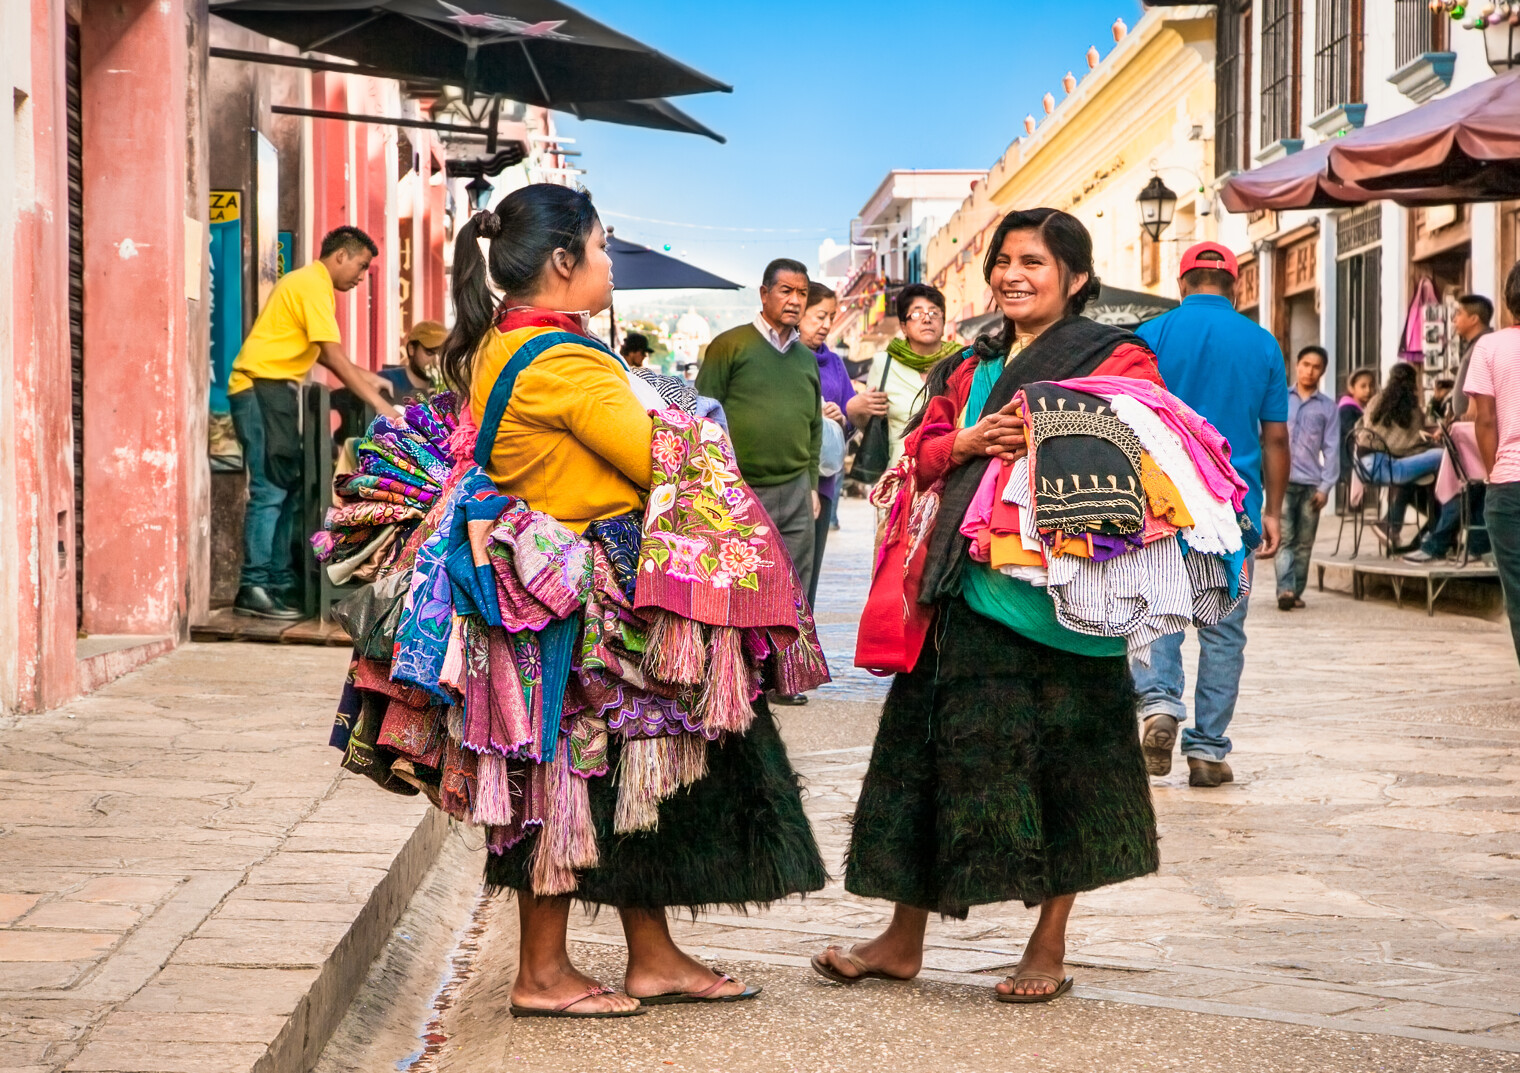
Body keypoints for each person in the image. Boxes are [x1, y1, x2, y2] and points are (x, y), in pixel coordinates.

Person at [441, 185, 825, 1017]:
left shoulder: (510, 343)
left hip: (555, 592)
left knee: (616, 775)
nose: (611, 263)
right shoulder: (563, 361)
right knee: (567, 777)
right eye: (603, 247)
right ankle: (540, 973)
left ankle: (652, 955)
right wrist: (691, 414)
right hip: (580, 602)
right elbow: (662, 458)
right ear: (562, 261)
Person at [813, 208, 1163, 1003]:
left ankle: (1048, 941)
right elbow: (918, 455)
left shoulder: (1120, 358)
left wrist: (1044, 425)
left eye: (1032, 261)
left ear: (1074, 277)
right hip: (965, 595)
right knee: (925, 760)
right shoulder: (970, 368)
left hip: (1069, 601)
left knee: (1070, 771)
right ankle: (902, 939)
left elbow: (1144, 444)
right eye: (1002, 259)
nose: (1011, 274)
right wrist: (967, 444)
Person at [1129, 241, 1288, 788]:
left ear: (1182, 283)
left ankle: (1158, 705)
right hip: (1235, 511)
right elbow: (1275, 437)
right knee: (1224, 631)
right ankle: (1208, 751)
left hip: (1159, 505)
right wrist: (1273, 510)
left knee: (1158, 611)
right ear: (1235, 285)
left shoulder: (1150, 336)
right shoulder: (1263, 343)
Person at [229, 226, 401, 620]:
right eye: (360, 266)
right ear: (340, 255)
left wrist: (364, 375)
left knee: (286, 488)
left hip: (275, 389)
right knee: (269, 490)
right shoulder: (311, 284)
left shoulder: (311, 285)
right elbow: (333, 355)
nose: (360, 277)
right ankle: (253, 586)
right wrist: (378, 402)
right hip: (258, 388)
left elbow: (326, 355)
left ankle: (274, 582)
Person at [697, 259, 822, 705]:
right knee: (741, 581)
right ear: (764, 293)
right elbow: (702, 414)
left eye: (802, 293)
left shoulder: (807, 358)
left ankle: (785, 677)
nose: (794, 300)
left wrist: (810, 483)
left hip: (793, 487)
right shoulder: (730, 346)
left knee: (796, 584)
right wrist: (715, 479)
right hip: (740, 487)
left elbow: (813, 426)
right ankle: (739, 677)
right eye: (786, 290)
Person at [798, 282, 881, 607]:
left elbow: (849, 413)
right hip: (788, 479)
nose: (826, 325)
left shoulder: (832, 362)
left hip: (825, 480)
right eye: (819, 316)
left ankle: (803, 651)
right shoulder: (785, 358)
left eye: (831, 316)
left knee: (809, 577)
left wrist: (844, 416)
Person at [1467, 263, 1520, 665]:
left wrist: (1493, 473)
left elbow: (1484, 419)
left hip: (1508, 484)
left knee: (1517, 593)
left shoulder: (1489, 346)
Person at [867, 283, 964, 469]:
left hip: (951, 470)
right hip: (901, 471)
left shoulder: (962, 361)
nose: (927, 319)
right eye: (917, 313)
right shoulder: (884, 363)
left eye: (934, 313)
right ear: (904, 326)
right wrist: (857, 411)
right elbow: (872, 422)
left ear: (943, 323)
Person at [1276, 345, 1339, 611]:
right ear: (1297, 365)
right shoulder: (1279, 399)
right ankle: (1285, 590)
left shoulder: (1328, 408)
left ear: (1322, 371)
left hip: (1311, 484)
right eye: (1305, 364)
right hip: (1281, 482)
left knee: (1305, 542)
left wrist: (1326, 487)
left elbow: (1333, 448)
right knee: (1285, 538)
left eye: (1315, 367)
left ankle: (1296, 590)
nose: (1309, 371)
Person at [1358, 361, 1446, 549]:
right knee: (1441, 456)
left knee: (1413, 476)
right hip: (1386, 467)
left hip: (1362, 465)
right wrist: (1430, 442)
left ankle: (1391, 524)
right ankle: (1438, 517)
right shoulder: (1411, 409)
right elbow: (1408, 447)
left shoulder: (1375, 401)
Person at [1450, 293, 1494, 420]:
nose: (1454, 319)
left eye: (1459, 313)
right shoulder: (1475, 344)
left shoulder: (1484, 345)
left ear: (1474, 319)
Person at [381, 321, 447, 405]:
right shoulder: (388, 380)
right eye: (430, 352)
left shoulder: (445, 393)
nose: (436, 361)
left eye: (442, 354)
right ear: (411, 349)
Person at [1339, 368, 1376, 476]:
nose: (1368, 390)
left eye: (1371, 385)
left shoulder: (1363, 409)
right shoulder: (1347, 409)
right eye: (1363, 386)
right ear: (1351, 388)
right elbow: (1356, 432)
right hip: (1349, 462)